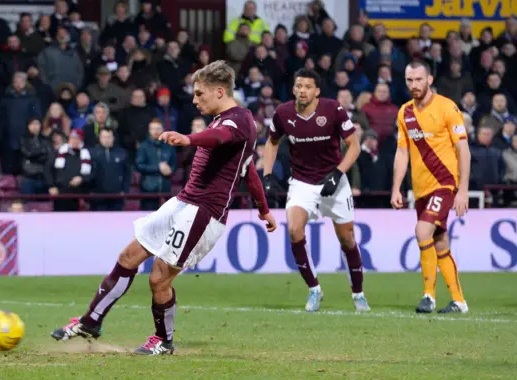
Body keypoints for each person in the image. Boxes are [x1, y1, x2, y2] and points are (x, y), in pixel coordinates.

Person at [50, 60, 277, 355]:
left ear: (220, 91)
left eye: (200, 94)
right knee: (128, 256)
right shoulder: (221, 119)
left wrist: (189, 139)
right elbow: (249, 170)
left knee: (159, 277)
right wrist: (263, 209)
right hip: (183, 202)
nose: (195, 101)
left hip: (204, 212)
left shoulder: (239, 121)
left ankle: (164, 340)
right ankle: (91, 321)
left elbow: (218, 139)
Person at [262, 69, 370, 312]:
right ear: (293, 89)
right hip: (302, 182)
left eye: (307, 87)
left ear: (317, 91)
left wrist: (339, 173)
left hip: (334, 180)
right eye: (298, 86)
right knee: (293, 229)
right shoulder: (283, 113)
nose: (302, 90)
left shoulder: (333, 110)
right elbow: (271, 141)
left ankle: (358, 293)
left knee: (347, 239)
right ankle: (314, 289)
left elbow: (354, 147)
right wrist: (267, 175)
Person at [391, 59, 470, 314]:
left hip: (445, 183)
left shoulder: (448, 108)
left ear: (430, 80)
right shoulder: (405, 112)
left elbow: (463, 150)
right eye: (409, 80)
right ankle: (459, 301)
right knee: (439, 242)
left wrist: (463, 189)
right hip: (421, 188)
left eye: (418, 80)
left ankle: (428, 296)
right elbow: (402, 152)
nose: (414, 85)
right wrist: (396, 188)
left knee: (422, 231)